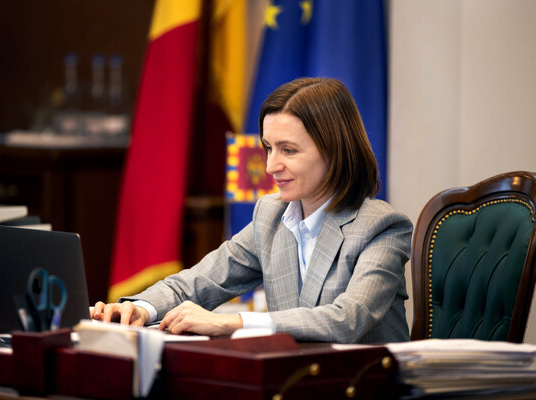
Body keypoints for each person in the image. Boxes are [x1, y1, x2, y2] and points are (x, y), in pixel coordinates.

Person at [93, 77, 412, 343]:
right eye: (268, 148)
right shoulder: (271, 215)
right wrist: (141, 308)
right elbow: (199, 282)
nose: (271, 166)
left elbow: (348, 319)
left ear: (335, 151)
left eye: (288, 150)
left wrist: (232, 324)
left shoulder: (381, 226)